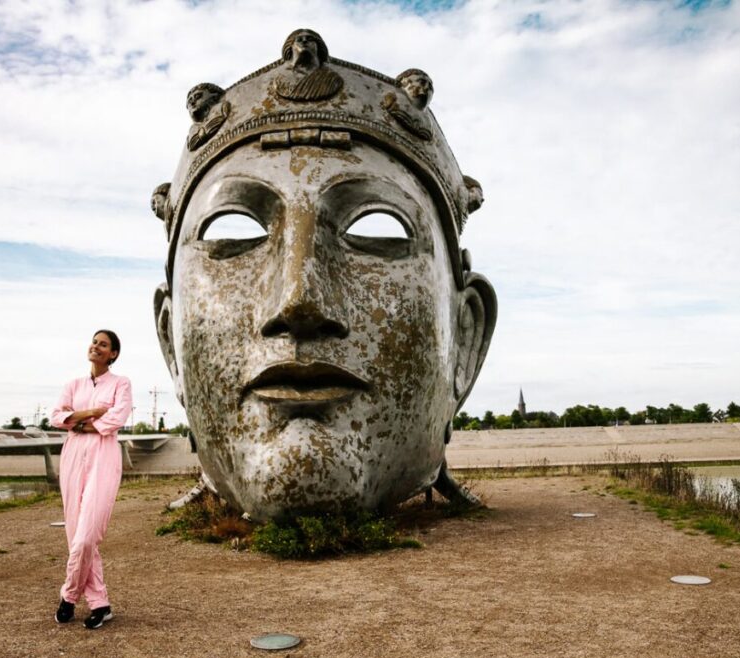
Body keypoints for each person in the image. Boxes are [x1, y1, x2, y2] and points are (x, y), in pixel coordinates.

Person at [151, 29, 496, 522]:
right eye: (234, 233)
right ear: (171, 344)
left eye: (379, 230)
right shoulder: (296, 305)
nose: (299, 302)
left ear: (464, 336)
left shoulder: (303, 305)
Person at [49, 329, 132, 629]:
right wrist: (90, 411)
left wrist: (82, 423)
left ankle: (69, 596)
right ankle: (100, 604)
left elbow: (117, 417)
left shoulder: (121, 384)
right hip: (72, 459)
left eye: (103, 344)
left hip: (103, 459)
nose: (96, 347)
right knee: (76, 537)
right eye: (94, 342)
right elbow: (57, 417)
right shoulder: (73, 384)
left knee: (86, 537)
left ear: (113, 354)